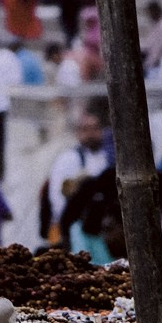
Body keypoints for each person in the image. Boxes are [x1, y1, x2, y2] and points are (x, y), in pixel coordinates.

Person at [47, 100, 111, 246]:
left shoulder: (105, 157)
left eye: (95, 129)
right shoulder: (69, 159)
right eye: (86, 129)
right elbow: (57, 196)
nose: (91, 134)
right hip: (74, 226)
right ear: (78, 132)